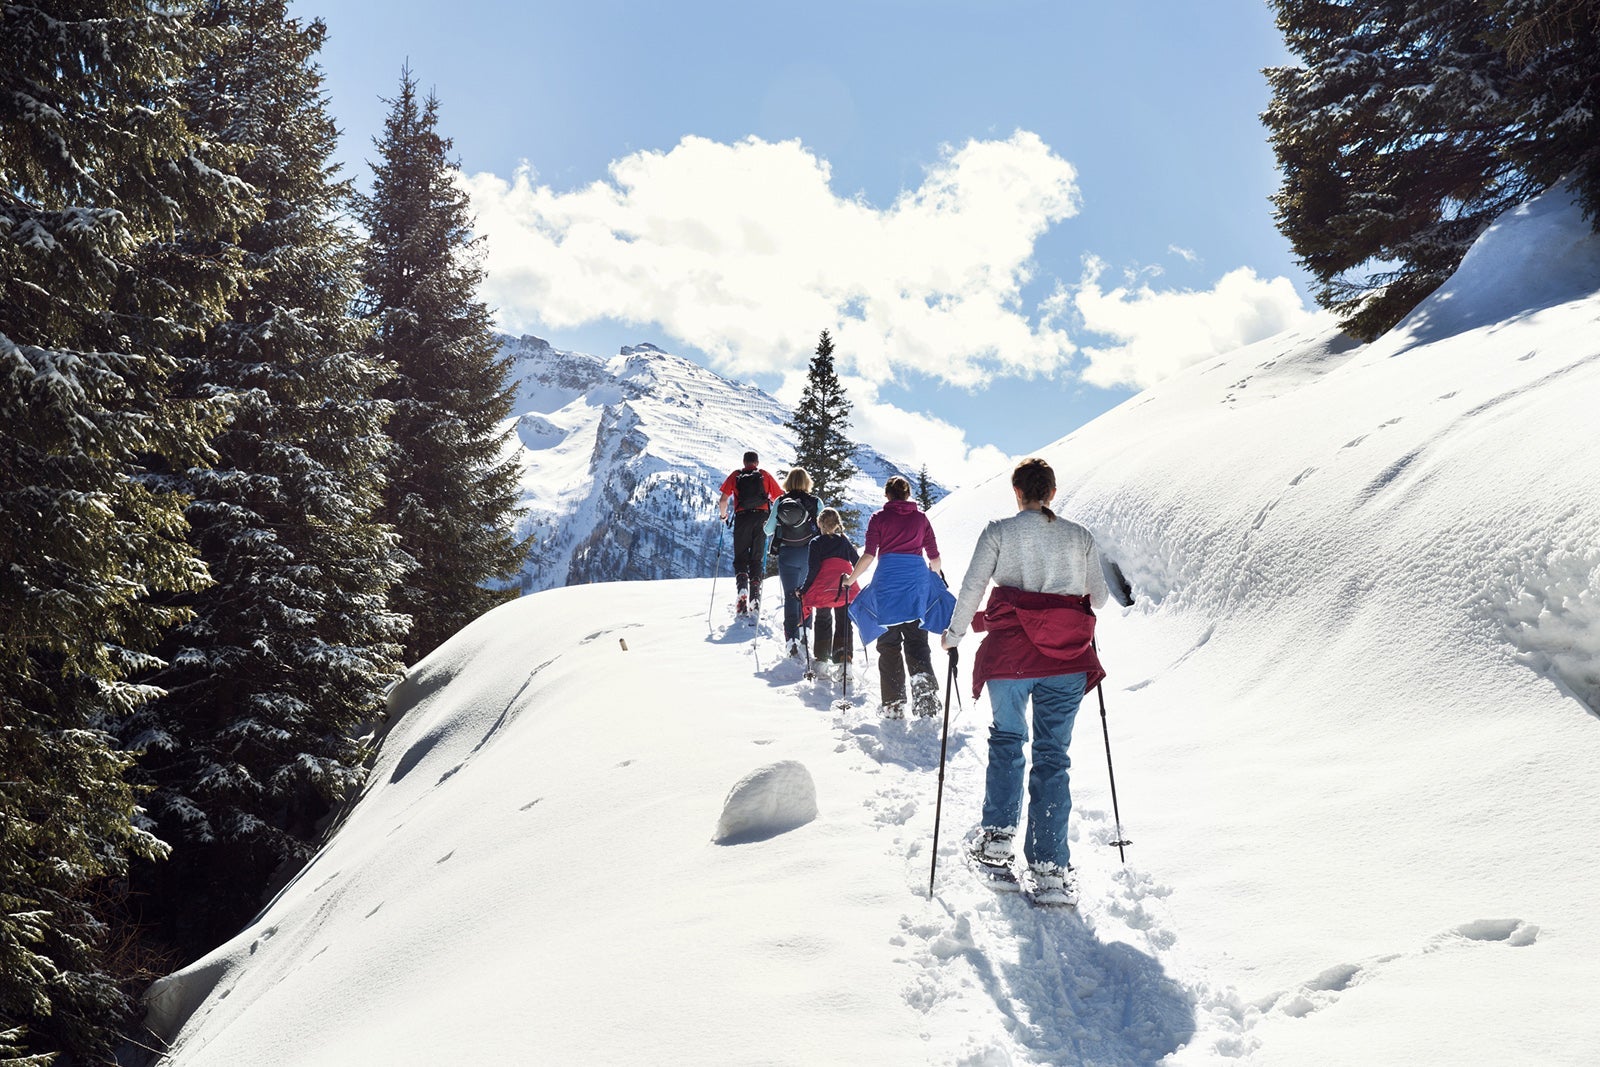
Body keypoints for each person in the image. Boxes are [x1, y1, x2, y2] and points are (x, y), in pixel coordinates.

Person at [940, 457, 1109, 906]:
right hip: (1066, 659)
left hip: (1010, 660)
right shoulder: (1080, 536)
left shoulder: (999, 531)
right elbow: (1102, 597)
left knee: (1008, 741)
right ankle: (1050, 868)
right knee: (1053, 755)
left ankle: (996, 846)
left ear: (1018, 493)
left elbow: (973, 587)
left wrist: (954, 635)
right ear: (1052, 493)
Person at [845, 476, 954, 719]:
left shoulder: (878, 518)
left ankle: (893, 704)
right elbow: (934, 559)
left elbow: (869, 556)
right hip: (916, 586)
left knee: (889, 644)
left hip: (887, 586)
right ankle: (926, 699)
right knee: (917, 641)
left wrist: (850, 580)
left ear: (887, 495)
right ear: (907, 495)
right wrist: (934, 577)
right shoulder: (921, 518)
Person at [764, 468, 821, 656]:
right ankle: (806, 630)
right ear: (807, 482)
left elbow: (768, 530)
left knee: (790, 595)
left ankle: (791, 639)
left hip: (787, 553)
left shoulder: (781, 502)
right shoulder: (815, 502)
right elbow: (824, 528)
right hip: (810, 554)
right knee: (807, 593)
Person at [717, 450, 782, 615]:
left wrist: (723, 516)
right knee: (757, 557)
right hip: (762, 519)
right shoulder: (764, 475)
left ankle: (742, 588)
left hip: (742, 519)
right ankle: (755, 592)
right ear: (757, 462)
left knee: (740, 557)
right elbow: (779, 497)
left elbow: (723, 500)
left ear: (744, 462)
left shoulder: (736, 475)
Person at [797, 507, 859, 678]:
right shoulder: (844, 542)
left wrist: (804, 589)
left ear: (820, 524)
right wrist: (850, 580)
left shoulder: (816, 543)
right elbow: (857, 562)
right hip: (843, 588)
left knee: (823, 620)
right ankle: (844, 662)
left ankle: (822, 662)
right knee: (844, 622)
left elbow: (814, 569)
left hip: (824, 590)